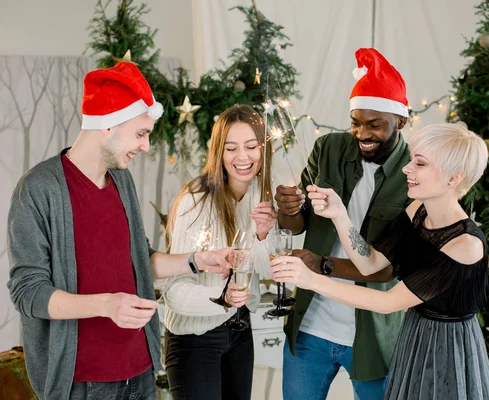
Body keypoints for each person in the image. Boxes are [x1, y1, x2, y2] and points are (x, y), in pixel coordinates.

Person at [6, 62, 231, 400]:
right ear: (108, 127)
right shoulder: (38, 189)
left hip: (139, 371)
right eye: (141, 133)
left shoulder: (121, 181)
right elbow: (28, 293)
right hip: (82, 384)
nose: (146, 146)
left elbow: (140, 259)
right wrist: (106, 305)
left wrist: (197, 260)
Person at [271, 123, 489, 399]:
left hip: (448, 348)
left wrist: (311, 279)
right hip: (415, 334)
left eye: (420, 163)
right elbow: (372, 263)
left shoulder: (465, 245)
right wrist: (339, 216)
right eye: (412, 158)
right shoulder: (418, 210)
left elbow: (387, 302)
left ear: (454, 178)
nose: (407, 168)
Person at [274, 48, 411, 399]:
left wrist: (320, 265)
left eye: (374, 124)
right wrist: (288, 206)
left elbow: (387, 269)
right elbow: (295, 225)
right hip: (310, 328)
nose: (361, 133)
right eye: (355, 121)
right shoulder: (329, 148)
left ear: (401, 121)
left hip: (376, 338)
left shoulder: (414, 173)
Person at [163, 104, 276, 400]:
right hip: (194, 340)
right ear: (218, 152)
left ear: (263, 150)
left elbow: (265, 271)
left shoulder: (259, 194)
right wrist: (220, 298)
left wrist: (264, 235)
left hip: (239, 331)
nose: (243, 157)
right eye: (231, 148)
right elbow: (173, 291)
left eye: (251, 146)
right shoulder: (195, 201)